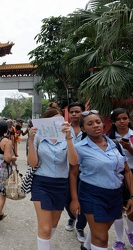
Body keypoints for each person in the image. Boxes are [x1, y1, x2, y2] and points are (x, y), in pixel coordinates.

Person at [70, 110, 133, 250]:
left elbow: (127, 171)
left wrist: (132, 196)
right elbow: (73, 174)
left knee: (102, 229)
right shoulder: (79, 148)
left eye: (98, 122)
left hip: (116, 195)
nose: (95, 125)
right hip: (92, 195)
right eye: (90, 124)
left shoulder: (115, 144)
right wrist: (74, 199)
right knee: (102, 238)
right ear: (83, 128)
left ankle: (86, 246)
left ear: (103, 124)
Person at [27, 102, 78, 250]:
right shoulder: (37, 136)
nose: (58, 124)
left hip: (61, 184)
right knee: (45, 228)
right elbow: (32, 163)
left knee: (53, 225)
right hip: (41, 183)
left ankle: (44, 244)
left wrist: (69, 138)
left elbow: (74, 161)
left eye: (61, 120)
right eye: (54, 121)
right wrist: (30, 140)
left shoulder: (68, 134)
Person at [106, 108, 133, 250]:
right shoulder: (108, 137)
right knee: (117, 209)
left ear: (129, 119)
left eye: (125, 118)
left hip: (131, 173)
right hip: (116, 174)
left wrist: (129, 148)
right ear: (113, 122)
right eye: (118, 119)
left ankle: (130, 232)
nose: (122, 122)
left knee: (131, 207)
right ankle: (120, 239)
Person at [63, 102, 87, 243]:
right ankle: (72, 217)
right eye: (71, 111)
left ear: (83, 113)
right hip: (66, 172)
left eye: (77, 111)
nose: (73, 114)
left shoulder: (89, 129)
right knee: (67, 199)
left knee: (82, 201)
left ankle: (80, 226)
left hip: (84, 173)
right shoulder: (64, 129)